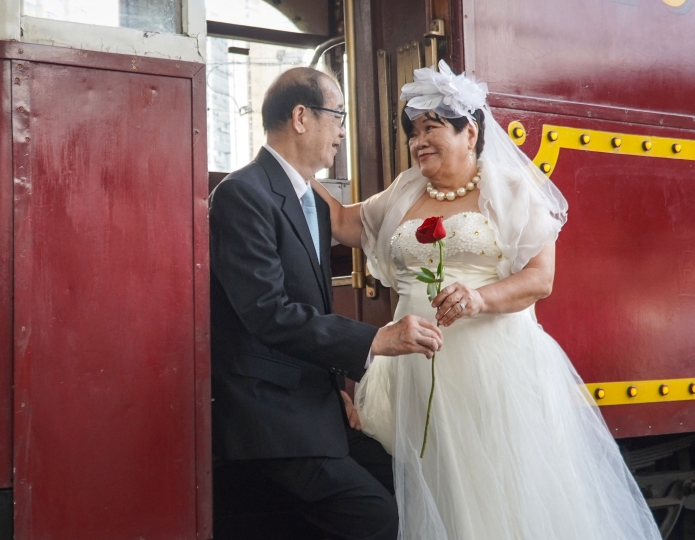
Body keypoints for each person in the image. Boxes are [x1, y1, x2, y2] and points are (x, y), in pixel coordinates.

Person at [312, 61, 660, 539]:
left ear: (470, 132)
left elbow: (540, 279)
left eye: (431, 128)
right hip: (415, 367)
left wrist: (478, 298)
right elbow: (347, 223)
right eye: (413, 132)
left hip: (491, 370)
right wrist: (290, 163)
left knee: (496, 490)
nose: (418, 142)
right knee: (433, 487)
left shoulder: (514, 191)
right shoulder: (405, 190)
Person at [209, 67, 444, 540]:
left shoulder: (310, 202)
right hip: (269, 419)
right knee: (379, 518)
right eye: (337, 116)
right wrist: (377, 338)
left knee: (414, 489)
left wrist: (336, 390)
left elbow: (309, 306)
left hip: (313, 407)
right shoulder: (242, 194)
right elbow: (267, 311)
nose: (341, 130)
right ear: (301, 117)